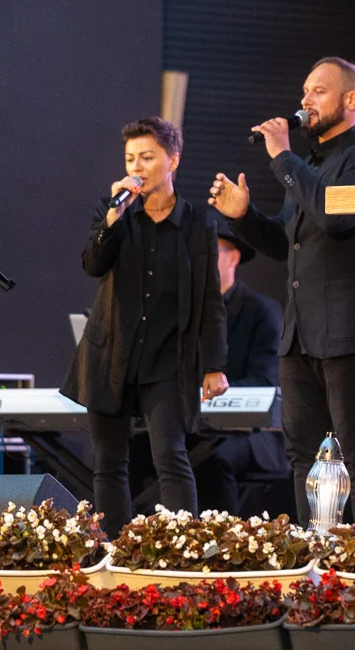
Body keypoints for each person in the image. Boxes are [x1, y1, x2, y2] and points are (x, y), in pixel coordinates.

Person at [208, 57, 355, 527]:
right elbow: (284, 240)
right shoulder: (311, 165)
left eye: (318, 91)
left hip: (354, 336)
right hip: (301, 339)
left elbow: (335, 217)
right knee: (306, 459)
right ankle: (317, 563)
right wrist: (243, 217)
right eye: (304, 91)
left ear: (351, 100)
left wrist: (281, 156)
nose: (305, 101)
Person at [61, 117, 229, 538]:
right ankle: (113, 551)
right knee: (109, 463)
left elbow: (210, 299)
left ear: (173, 159)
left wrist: (213, 364)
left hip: (166, 359)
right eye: (130, 158)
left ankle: (181, 550)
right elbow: (92, 264)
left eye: (147, 157)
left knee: (170, 456)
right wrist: (115, 218)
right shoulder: (113, 211)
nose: (137, 166)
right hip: (110, 354)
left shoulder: (197, 224)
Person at [194, 228, 288, 515]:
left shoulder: (261, 311)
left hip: (254, 436)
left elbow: (264, 382)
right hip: (197, 428)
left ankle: (222, 545)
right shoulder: (190, 313)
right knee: (140, 450)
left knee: (212, 460)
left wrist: (206, 394)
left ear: (232, 258)